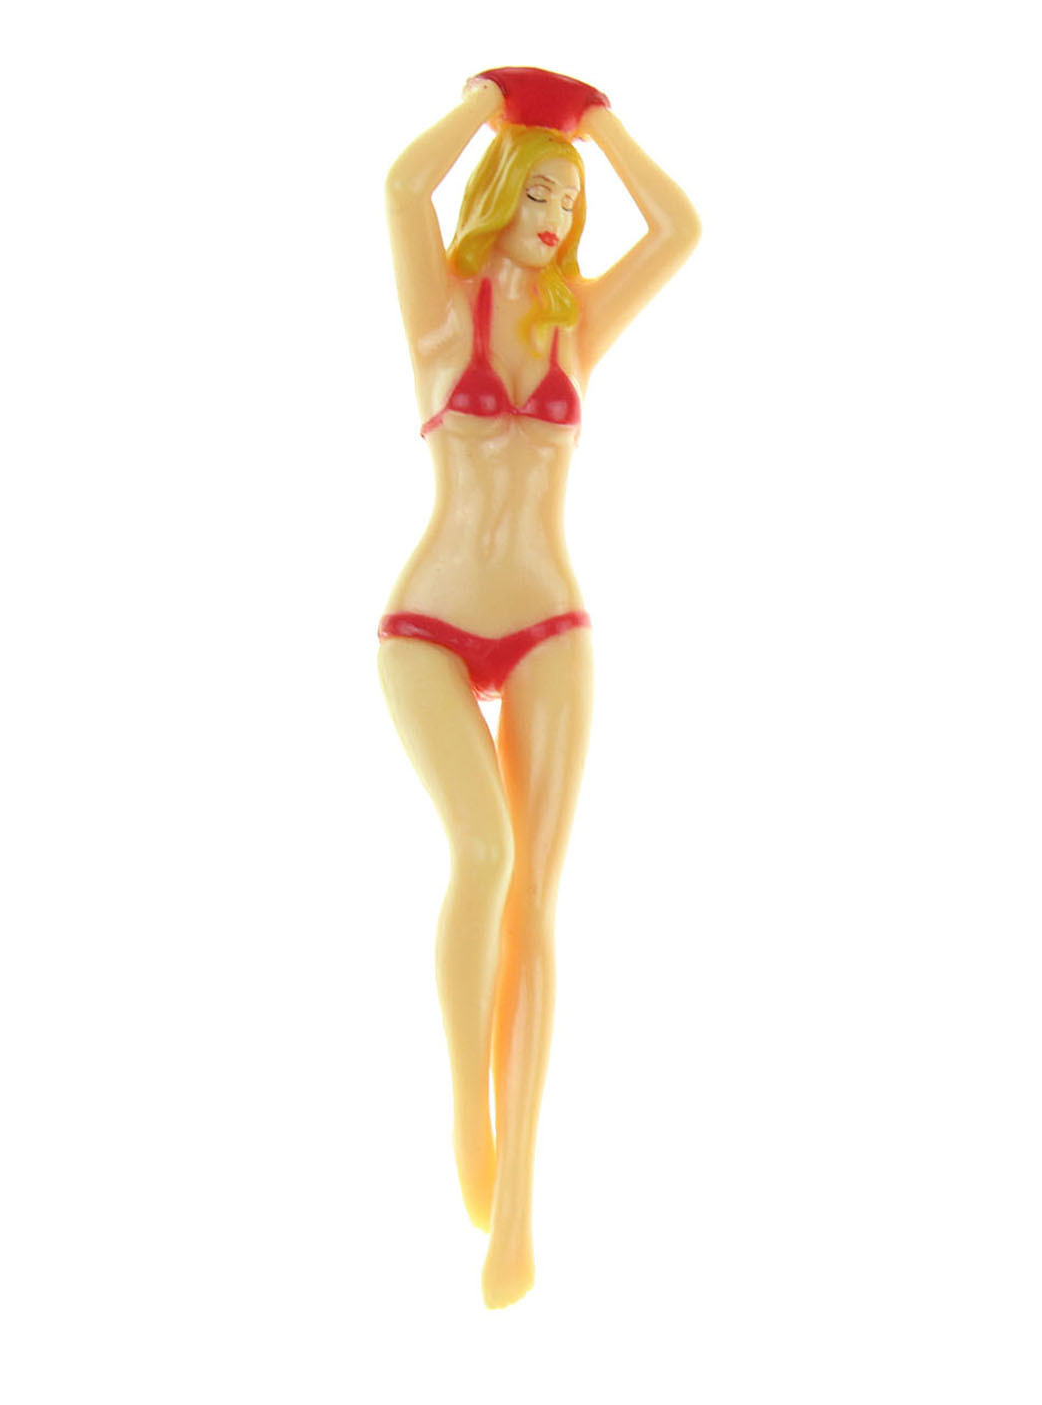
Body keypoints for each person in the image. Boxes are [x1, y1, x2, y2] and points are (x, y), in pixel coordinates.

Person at [377, 68, 700, 1308]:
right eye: (539, 190)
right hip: (428, 622)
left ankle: (516, 1206)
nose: (558, 214)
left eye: (571, 200)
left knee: (538, 904)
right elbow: (403, 185)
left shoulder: (581, 324)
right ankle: (469, 1104)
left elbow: (680, 227)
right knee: (483, 852)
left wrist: (596, 122)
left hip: (551, 623)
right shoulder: (436, 314)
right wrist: (488, 100)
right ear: (500, 190)